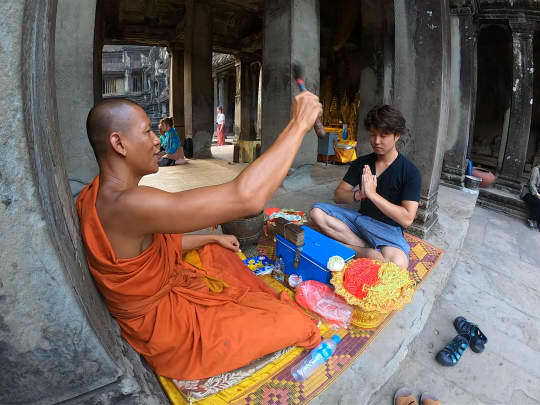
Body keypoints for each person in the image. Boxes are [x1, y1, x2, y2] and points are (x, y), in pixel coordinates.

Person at [77, 94, 322, 380]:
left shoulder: (97, 193)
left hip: (164, 288)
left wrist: (213, 239)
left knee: (217, 251)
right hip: (168, 328)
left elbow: (152, 249)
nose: (157, 140)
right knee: (297, 324)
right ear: (119, 144)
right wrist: (298, 124)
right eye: (147, 132)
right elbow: (247, 197)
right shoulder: (128, 204)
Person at [310, 105, 421, 269]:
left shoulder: (410, 172)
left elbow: (407, 219)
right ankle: (368, 250)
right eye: (373, 135)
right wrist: (359, 195)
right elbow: (338, 195)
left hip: (387, 230)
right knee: (316, 213)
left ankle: (346, 248)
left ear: (397, 136)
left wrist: (373, 195)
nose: (376, 141)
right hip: (359, 222)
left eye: (383, 136)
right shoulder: (363, 162)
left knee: (398, 263)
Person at [523, 163, 540, 231]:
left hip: (537, 194)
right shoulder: (536, 170)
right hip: (529, 193)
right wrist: (538, 195)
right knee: (538, 202)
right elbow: (532, 184)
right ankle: (532, 220)